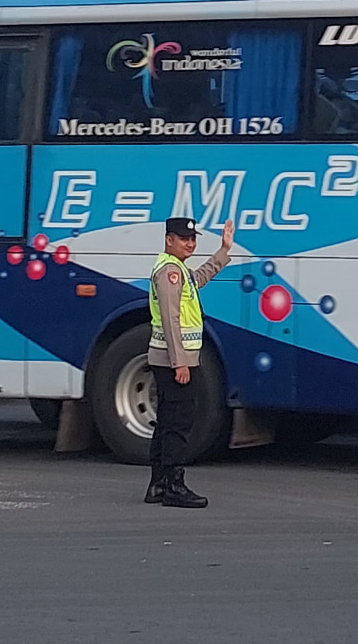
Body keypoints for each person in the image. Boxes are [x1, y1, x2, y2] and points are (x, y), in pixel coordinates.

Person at [146, 215, 233, 509]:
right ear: (168, 239)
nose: (190, 244)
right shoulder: (170, 271)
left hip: (169, 359)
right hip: (173, 361)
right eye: (184, 239)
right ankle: (174, 486)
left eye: (193, 239)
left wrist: (223, 251)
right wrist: (180, 362)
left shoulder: (178, 269)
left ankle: (158, 484)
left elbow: (199, 278)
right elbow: (170, 320)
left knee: (167, 421)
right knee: (178, 424)